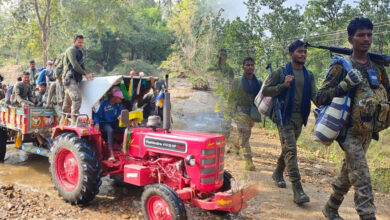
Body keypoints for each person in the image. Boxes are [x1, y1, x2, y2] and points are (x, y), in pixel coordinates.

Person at [316, 18, 389, 220]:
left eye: (369, 34)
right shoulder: (342, 66)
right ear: (351, 39)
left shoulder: (378, 67)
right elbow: (320, 97)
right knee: (362, 177)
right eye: (361, 35)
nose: (366, 39)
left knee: (349, 173)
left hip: (368, 131)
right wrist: (344, 85)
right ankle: (368, 216)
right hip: (347, 132)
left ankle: (330, 208)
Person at [262, 40, 318, 204]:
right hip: (284, 116)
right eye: (299, 52)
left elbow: (315, 95)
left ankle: (277, 173)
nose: (303, 55)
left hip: (300, 118)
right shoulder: (280, 72)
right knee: (291, 150)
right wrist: (283, 85)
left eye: (305, 52)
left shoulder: (309, 74)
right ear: (291, 54)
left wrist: (325, 105)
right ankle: (297, 189)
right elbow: (266, 90)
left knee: (287, 149)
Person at [227, 57, 262, 171]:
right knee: (244, 136)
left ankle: (235, 146)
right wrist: (229, 113)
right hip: (240, 112)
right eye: (247, 65)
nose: (250, 67)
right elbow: (231, 97)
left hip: (252, 113)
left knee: (246, 135)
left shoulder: (259, 83)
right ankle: (248, 162)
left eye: (252, 65)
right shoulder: (237, 81)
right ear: (243, 67)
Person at [62, 35, 93, 125]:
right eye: (79, 42)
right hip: (70, 79)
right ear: (74, 41)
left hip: (74, 79)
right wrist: (85, 74)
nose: (80, 44)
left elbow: (81, 66)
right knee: (77, 98)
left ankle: (62, 122)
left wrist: (87, 74)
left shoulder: (79, 52)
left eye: (82, 43)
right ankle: (75, 122)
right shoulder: (71, 50)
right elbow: (75, 65)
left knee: (67, 103)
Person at [94, 90, 124, 161]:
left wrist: (120, 116)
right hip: (104, 122)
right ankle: (111, 154)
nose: (121, 100)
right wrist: (97, 123)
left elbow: (120, 114)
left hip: (114, 121)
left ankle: (122, 146)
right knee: (110, 130)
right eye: (120, 99)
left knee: (125, 128)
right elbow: (96, 114)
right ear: (116, 97)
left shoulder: (118, 105)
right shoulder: (103, 103)